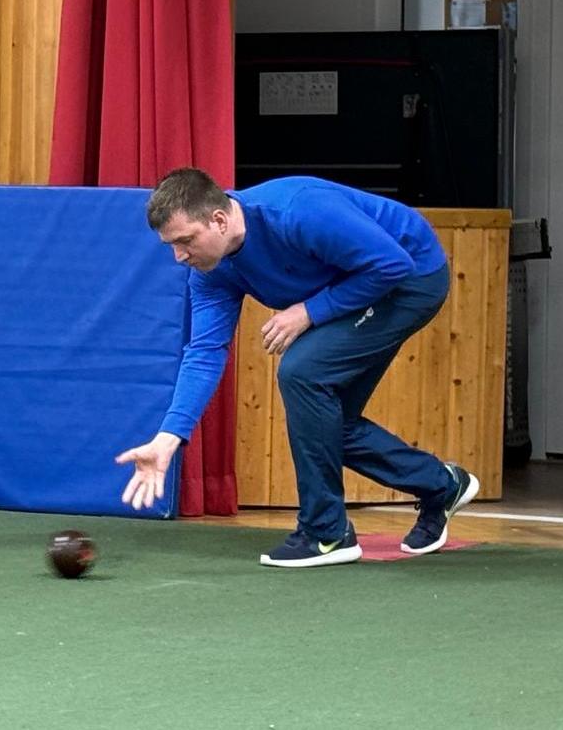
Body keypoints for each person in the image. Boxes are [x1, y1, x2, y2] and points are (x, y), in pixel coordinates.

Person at [115, 168, 479, 568]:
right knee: (325, 421)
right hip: (363, 280)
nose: (179, 256)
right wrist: (169, 437)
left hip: (411, 276)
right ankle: (440, 485)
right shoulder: (210, 270)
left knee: (301, 371)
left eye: (185, 241)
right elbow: (204, 351)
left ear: (218, 220)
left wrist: (309, 311)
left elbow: (391, 264)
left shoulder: (297, 211)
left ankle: (326, 532)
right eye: (171, 245)